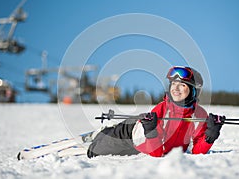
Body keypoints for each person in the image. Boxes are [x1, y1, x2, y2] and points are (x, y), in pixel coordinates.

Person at [87, 66, 224, 158]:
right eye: (173, 84)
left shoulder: (199, 115)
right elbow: (156, 153)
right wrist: (151, 131)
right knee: (95, 150)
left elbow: (196, 151)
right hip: (132, 135)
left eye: (182, 85)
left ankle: (101, 134)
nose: (176, 89)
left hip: (144, 147)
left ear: (194, 90)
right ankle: (100, 133)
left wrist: (209, 137)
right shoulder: (162, 109)